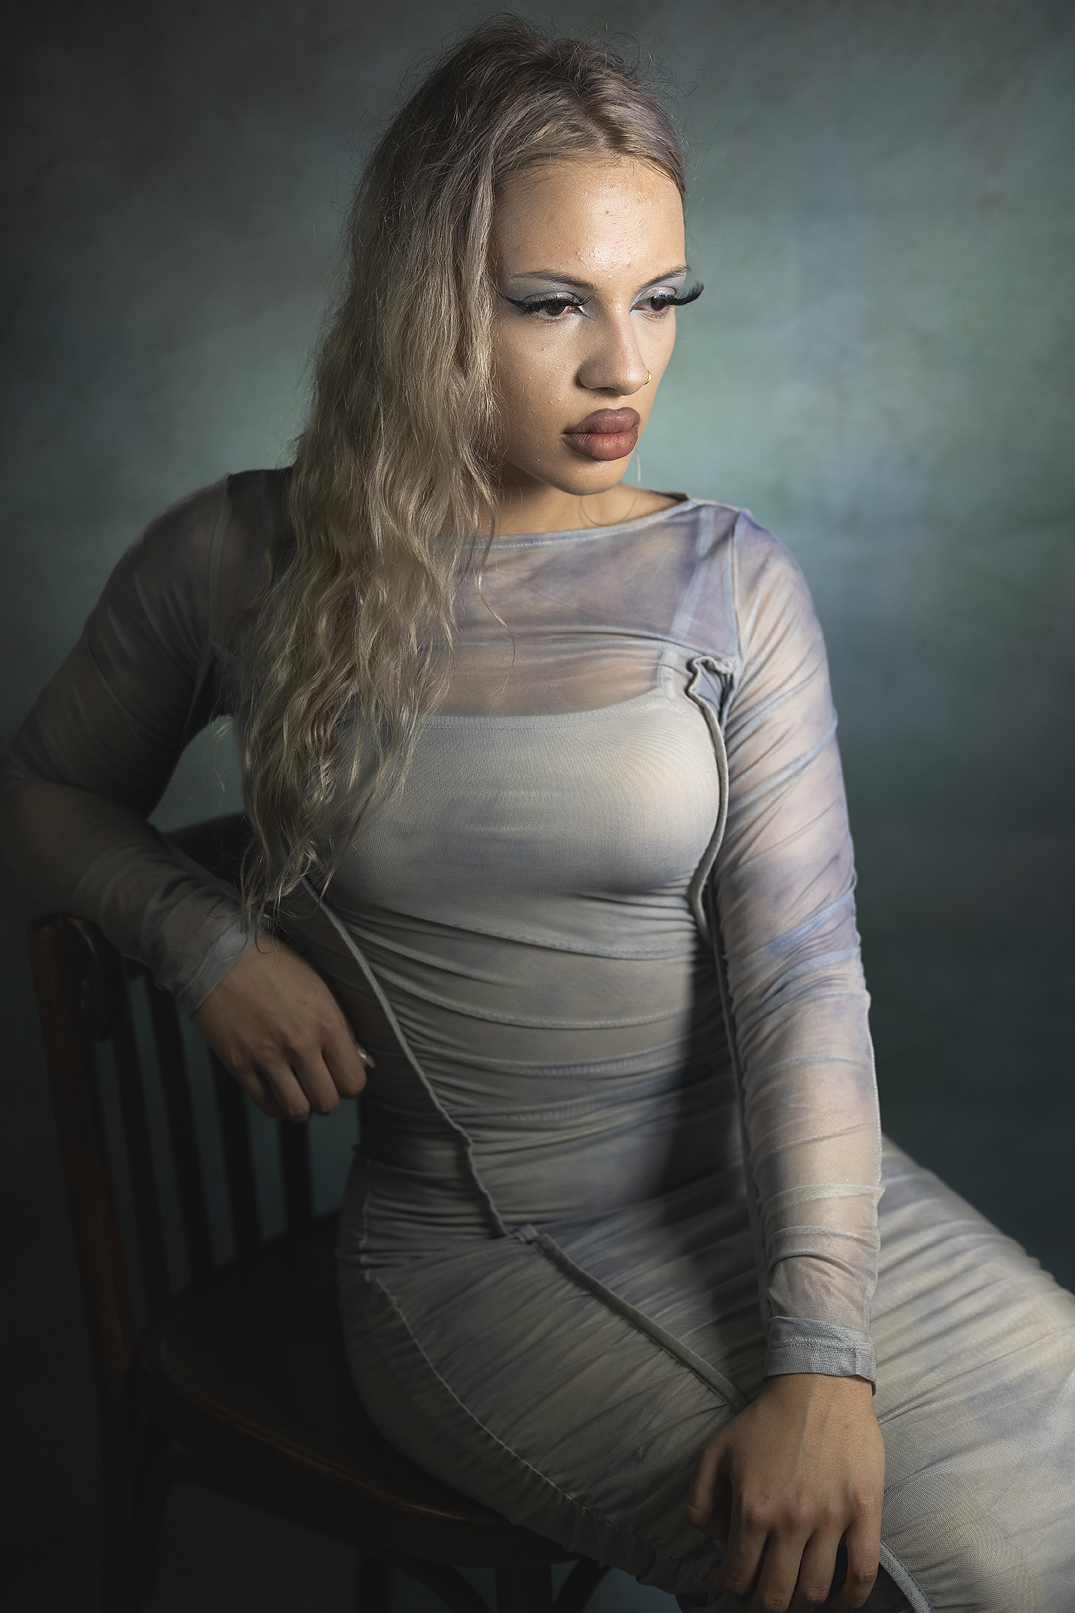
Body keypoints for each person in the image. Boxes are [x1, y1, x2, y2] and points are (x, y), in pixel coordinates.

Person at [2, 19, 1073, 1613]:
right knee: (927, 1578)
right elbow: (42, 789)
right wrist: (200, 939)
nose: (623, 365)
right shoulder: (233, 560)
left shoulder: (733, 580)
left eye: (661, 299)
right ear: (426, 302)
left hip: (759, 1188)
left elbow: (800, 980)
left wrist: (820, 1352)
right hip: (472, 1259)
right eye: (552, 301)